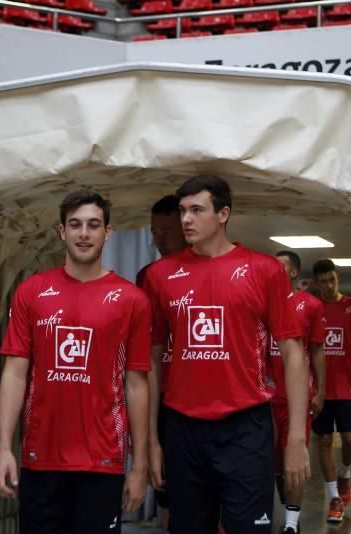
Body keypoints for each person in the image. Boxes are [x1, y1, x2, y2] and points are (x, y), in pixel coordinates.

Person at [142, 175, 311, 533]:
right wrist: (151, 442)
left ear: (223, 214)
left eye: (197, 210)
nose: (186, 219)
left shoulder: (264, 271)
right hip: (182, 429)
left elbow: (293, 354)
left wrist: (295, 439)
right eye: (183, 211)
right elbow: (152, 361)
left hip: (246, 428)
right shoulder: (160, 276)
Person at [0, 190, 151, 533]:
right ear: (61, 231)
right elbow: (15, 373)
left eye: (93, 225)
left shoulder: (131, 300)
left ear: (107, 232)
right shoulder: (31, 292)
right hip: (41, 459)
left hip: (102, 461)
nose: (84, 233)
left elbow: (136, 384)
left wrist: (140, 465)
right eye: (75, 225)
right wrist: (4, 448)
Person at [136, 194, 187, 529]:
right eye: (155, 232)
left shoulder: (207, 271)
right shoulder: (148, 277)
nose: (160, 240)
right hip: (161, 398)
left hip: (195, 398)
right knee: (166, 485)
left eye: (168, 231)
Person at [311, 259, 351, 524]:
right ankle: (334, 498)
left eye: (332, 280)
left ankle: (345, 473)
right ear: (317, 283)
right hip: (321, 390)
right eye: (323, 281)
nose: (328, 285)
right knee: (324, 441)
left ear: (338, 279)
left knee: (350, 440)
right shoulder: (313, 308)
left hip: (348, 387)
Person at [270, 250, 326, 534]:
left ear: (293, 272)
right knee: (271, 460)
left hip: (295, 399)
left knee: (294, 457)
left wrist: (321, 390)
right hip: (263, 396)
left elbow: (317, 350)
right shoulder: (259, 302)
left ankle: (291, 524)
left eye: (280, 267)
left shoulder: (310, 305)